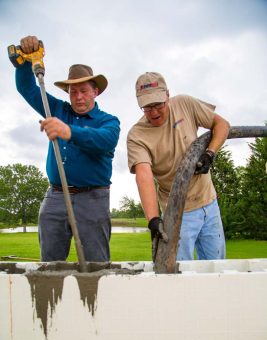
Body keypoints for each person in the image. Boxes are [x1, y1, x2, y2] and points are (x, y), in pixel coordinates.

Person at [13, 35, 120, 262]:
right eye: (73, 92)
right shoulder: (56, 109)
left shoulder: (109, 121)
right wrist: (24, 62)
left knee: (96, 266)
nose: (78, 97)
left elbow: (105, 141)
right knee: (50, 267)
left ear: (96, 92)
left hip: (93, 198)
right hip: (55, 196)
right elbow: (26, 88)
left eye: (84, 91)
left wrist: (68, 132)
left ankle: (95, 298)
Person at [127, 72, 230, 260]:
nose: (155, 112)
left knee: (217, 269)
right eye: (147, 107)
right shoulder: (137, 135)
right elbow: (143, 176)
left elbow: (222, 124)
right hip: (178, 213)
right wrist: (153, 219)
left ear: (167, 95)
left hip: (209, 202)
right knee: (179, 273)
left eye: (158, 104)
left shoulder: (185, 104)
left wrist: (210, 153)